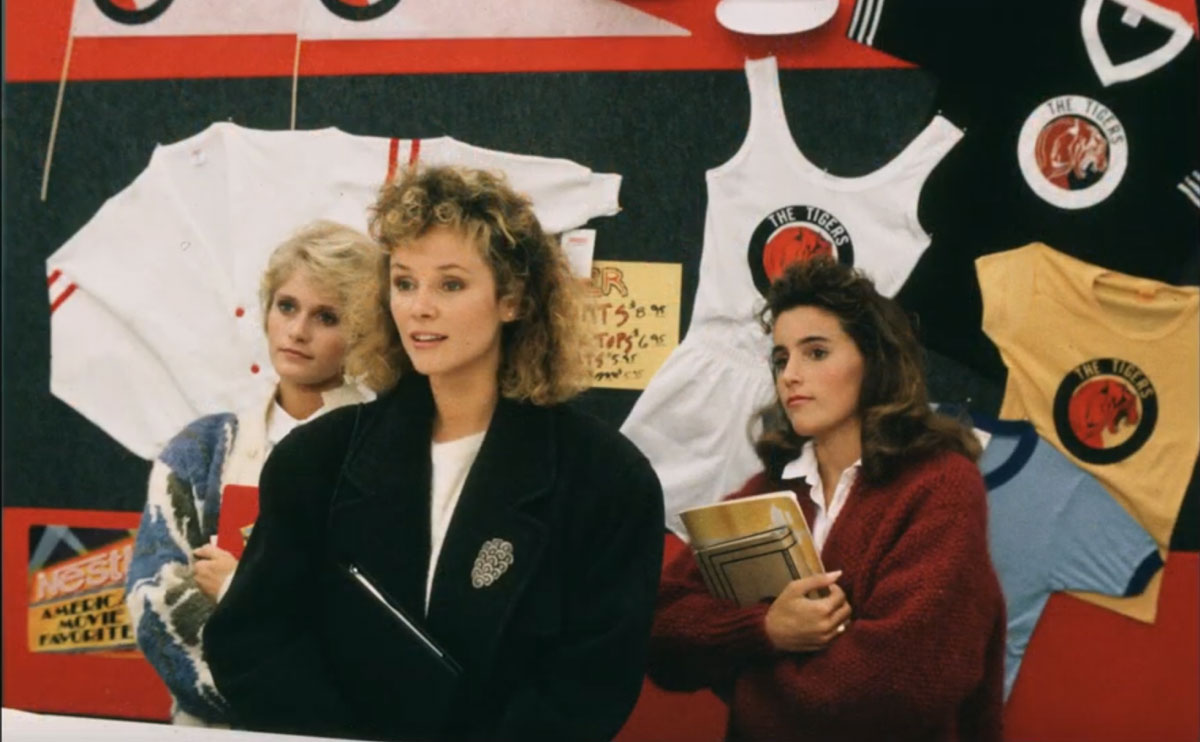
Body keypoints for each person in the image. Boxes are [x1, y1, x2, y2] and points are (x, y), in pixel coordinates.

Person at [203, 165, 665, 742]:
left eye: (450, 285)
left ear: (513, 298)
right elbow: (252, 640)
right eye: (404, 283)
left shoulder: (608, 479)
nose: (419, 307)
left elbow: (591, 683)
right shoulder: (315, 459)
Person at [647, 257, 1006, 742]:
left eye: (815, 352)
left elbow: (899, 687)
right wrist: (766, 630)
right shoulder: (768, 491)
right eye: (781, 358)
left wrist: (745, 680)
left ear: (874, 361)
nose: (790, 375)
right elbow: (661, 633)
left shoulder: (940, 486)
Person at [125, 219, 394, 726]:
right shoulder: (201, 450)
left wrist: (238, 588)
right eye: (287, 306)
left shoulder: (387, 454)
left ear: (363, 331)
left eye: (327, 316)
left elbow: (370, 624)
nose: (298, 331)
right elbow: (154, 598)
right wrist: (265, 693)